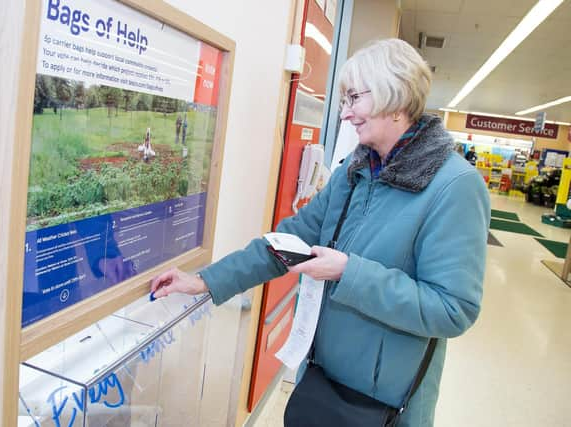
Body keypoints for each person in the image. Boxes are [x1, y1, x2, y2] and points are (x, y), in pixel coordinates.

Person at [151, 38, 490, 426]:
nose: (345, 114)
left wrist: (349, 273)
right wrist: (205, 281)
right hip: (321, 383)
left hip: (383, 405)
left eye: (354, 99)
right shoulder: (355, 173)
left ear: (395, 99)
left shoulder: (454, 186)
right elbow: (287, 243)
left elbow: (453, 309)